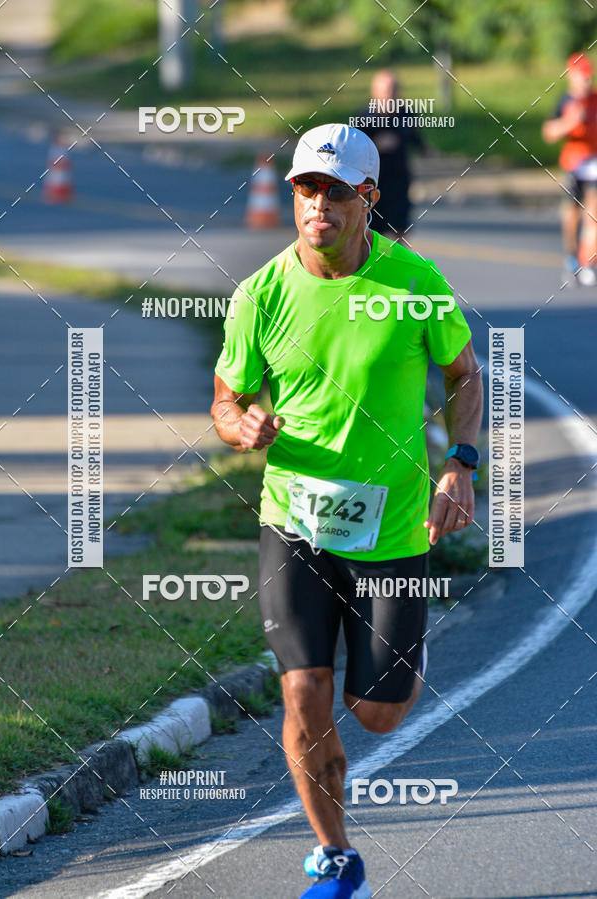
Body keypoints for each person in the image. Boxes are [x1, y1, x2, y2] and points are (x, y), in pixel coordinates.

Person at [211, 123, 483, 898]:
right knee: (303, 689)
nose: (317, 205)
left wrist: (460, 466)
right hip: (292, 520)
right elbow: (227, 401)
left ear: (366, 198)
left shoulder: (414, 280)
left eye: (333, 191)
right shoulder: (259, 295)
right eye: (305, 190)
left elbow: (463, 378)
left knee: (377, 713)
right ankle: (335, 857)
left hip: (394, 527)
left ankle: (395, 667)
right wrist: (242, 426)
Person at [542, 51, 597, 286]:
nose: (586, 82)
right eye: (582, 77)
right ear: (571, 77)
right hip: (574, 164)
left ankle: (588, 262)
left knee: (593, 214)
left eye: (588, 77)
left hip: (594, 163)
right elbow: (548, 133)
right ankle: (571, 258)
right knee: (572, 213)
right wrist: (571, 122)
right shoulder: (565, 102)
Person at [359, 69, 424, 243]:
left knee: (400, 228)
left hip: (400, 180)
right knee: (372, 230)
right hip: (374, 183)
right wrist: (377, 145)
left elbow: (413, 136)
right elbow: (355, 151)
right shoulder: (364, 118)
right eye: (386, 90)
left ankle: (400, 265)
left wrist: (425, 148)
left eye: (394, 89)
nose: (390, 95)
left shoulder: (406, 114)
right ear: (375, 92)